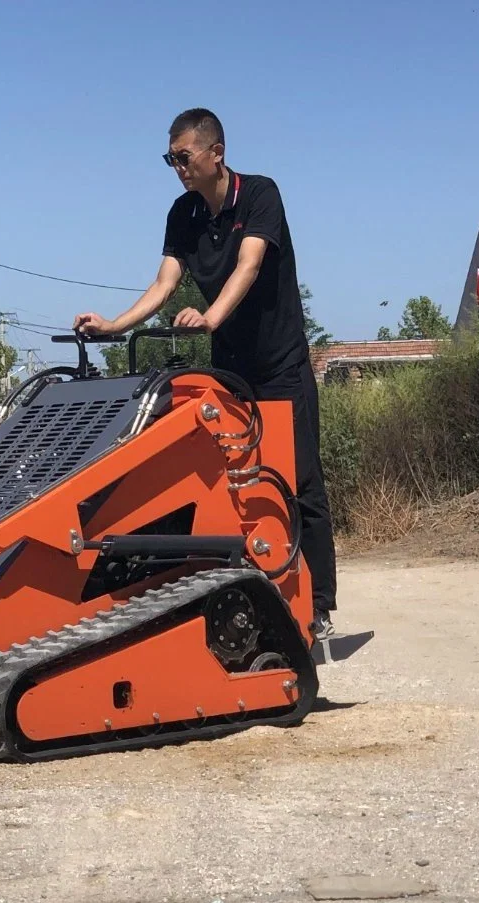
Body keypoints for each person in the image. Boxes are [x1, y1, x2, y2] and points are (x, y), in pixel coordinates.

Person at [73, 107, 336, 636]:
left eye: (184, 157)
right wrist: (113, 325)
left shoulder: (260, 194)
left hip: (280, 365)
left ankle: (319, 604)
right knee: (236, 480)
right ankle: (253, 593)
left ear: (216, 153)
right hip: (230, 368)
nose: (177, 168)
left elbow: (250, 264)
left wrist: (211, 316)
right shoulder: (182, 213)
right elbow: (164, 283)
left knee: (299, 480)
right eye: (169, 159)